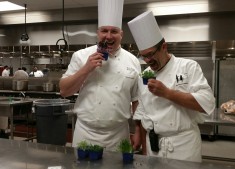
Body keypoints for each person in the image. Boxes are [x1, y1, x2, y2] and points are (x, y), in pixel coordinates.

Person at [128, 11, 215, 162]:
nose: (147, 60)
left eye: (150, 54)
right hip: (153, 147)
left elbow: (207, 102)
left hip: (183, 146)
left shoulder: (188, 67)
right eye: (143, 56)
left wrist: (168, 93)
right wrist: (144, 151)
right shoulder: (145, 75)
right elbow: (143, 117)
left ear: (164, 47)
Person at [59, 0, 141, 151]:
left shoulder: (133, 61)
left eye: (114, 31)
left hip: (118, 134)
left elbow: (136, 99)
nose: (108, 36)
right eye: (104, 31)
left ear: (121, 35)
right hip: (86, 133)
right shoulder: (81, 56)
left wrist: (138, 130)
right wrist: (86, 69)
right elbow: (64, 91)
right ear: (98, 33)